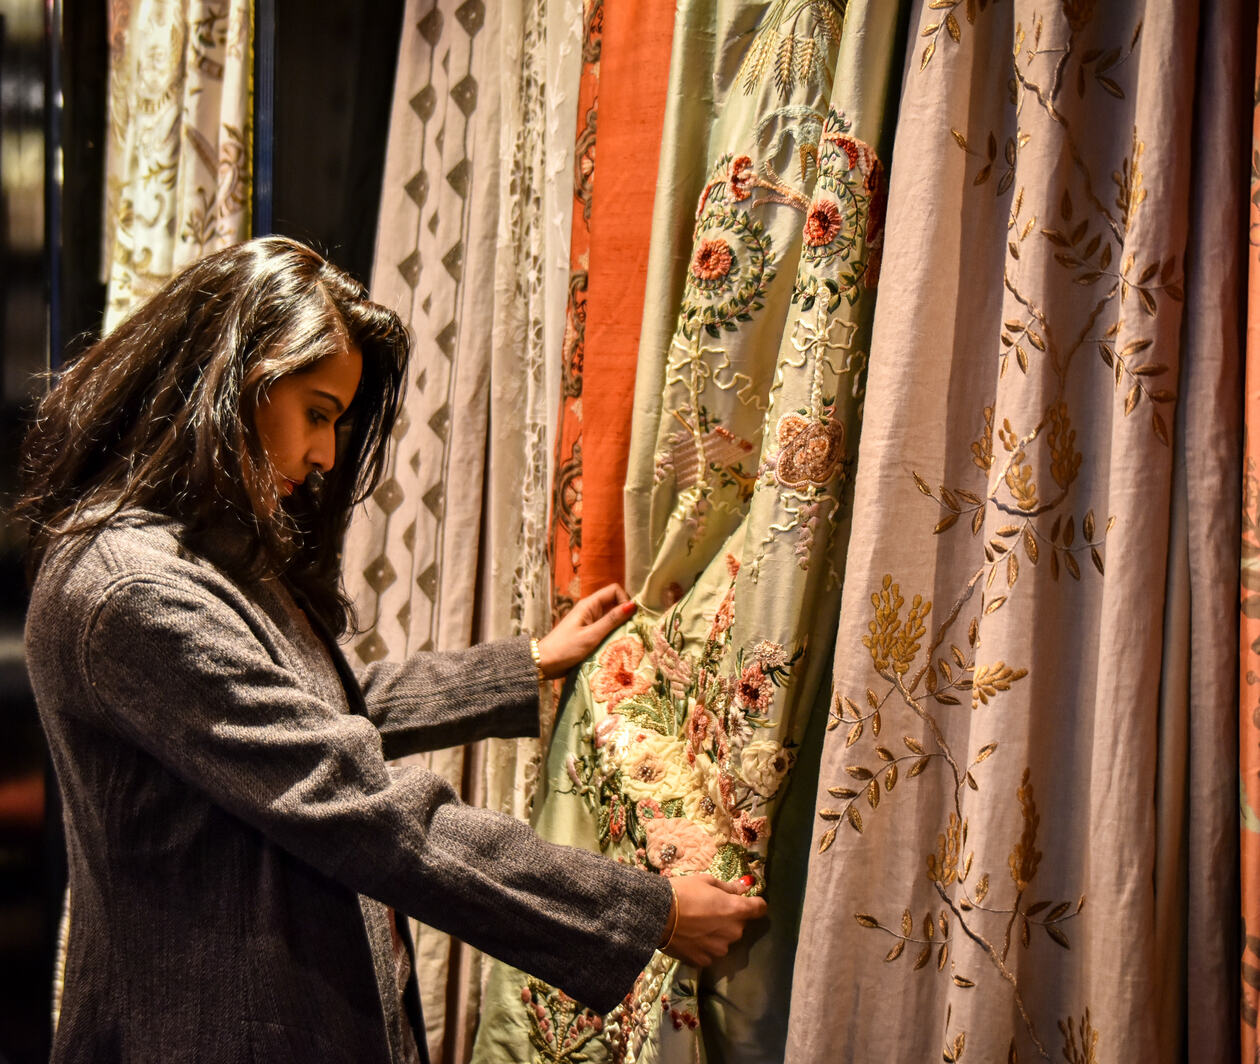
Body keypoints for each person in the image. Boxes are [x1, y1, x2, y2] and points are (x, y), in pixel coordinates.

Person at [17, 237, 766, 1063]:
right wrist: (642, 913)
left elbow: (305, 714)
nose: (327, 454)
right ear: (232, 378)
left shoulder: (185, 560)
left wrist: (523, 667)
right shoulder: (132, 589)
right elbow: (349, 796)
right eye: (316, 412)